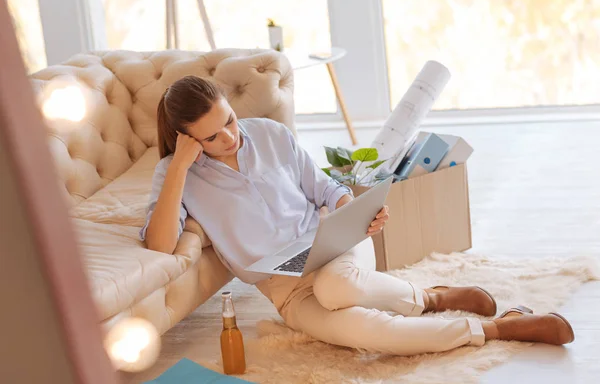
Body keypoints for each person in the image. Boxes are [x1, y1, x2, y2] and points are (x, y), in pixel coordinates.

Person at [141, 75, 574, 356]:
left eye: (231, 121)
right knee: (364, 333)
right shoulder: (176, 175)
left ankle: (428, 298)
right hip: (284, 288)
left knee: (336, 287)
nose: (232, 136)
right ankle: (490, 325)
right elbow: (159, 243)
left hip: (331, 247)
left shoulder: (271, 134)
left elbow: (327, 190)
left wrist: (352, 212)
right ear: (186, 139)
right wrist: (179, 166)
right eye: (213, 137)